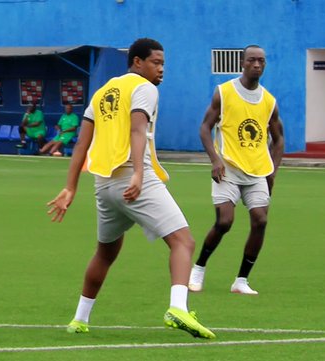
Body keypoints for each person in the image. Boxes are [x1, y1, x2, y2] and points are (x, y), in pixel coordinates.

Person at [46, 38, 215, 339]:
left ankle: (79, 319)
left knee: (106, 252)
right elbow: (138, 129)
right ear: (137, 62)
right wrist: (138, 173)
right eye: (156, 62)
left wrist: (70, 187)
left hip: (104, 185)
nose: (161, 69)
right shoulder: (145, 88)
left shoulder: (101, 92)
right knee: (183, 241)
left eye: (163, 64)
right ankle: (177, 308)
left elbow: (82, 144)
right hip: (133, 178)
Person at [188, 45, 284, 295]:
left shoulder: (269, 101)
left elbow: (279, 138)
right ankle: (199, 267)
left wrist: (272, 171)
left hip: (256, 171)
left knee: (260, 221)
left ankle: (241, 280)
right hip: (227, 168)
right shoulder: (225, 92)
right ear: (242, 63)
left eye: (261, 60)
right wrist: (215, 160)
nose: (257, 64)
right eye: (252, 60)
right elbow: (204, 128)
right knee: (224, 221)